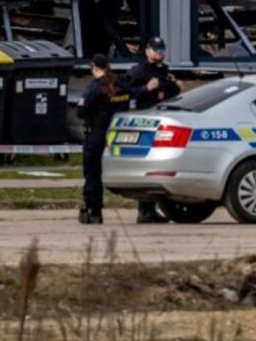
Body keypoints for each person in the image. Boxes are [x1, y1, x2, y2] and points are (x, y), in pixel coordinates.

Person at [124, 36, 180, 223]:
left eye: (162, 50)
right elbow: (124, 93)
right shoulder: (138, 71)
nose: (159, 53)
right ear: (147, 51)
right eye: (156, 50)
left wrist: (176, 88)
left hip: (161, 122)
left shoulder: (165, 71)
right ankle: (144, 210)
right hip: (145, 122)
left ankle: (151, 209)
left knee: (158, 168)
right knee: (147, 166)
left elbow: (166, 93)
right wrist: (145, 89)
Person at [76, 54, 129, 225]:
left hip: (97, 135)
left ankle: (93, 210)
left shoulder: (94, 88)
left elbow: (80, 112)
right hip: (117, 134)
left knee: (92, 174)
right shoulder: (121, 85)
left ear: (94, 67)